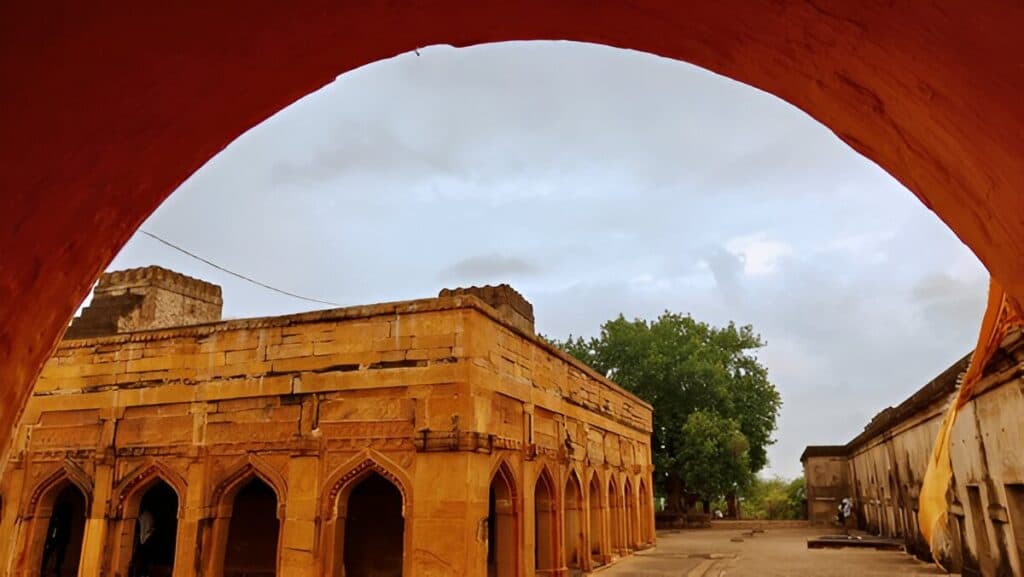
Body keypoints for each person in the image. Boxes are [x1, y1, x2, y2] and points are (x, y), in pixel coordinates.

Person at [41, 500, 72, 577]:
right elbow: (54, 529)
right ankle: (44, 568)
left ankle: (55, 569)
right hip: (55, 538)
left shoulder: (64, 521)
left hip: (60, 538)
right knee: (50, 553)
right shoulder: (58, 520)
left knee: (58, 555)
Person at [133, 509, 156, 577]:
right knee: (144, 563)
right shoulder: (148, 516)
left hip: (144, 542)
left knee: (142, 563)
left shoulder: (142, 516)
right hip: (146, 540)